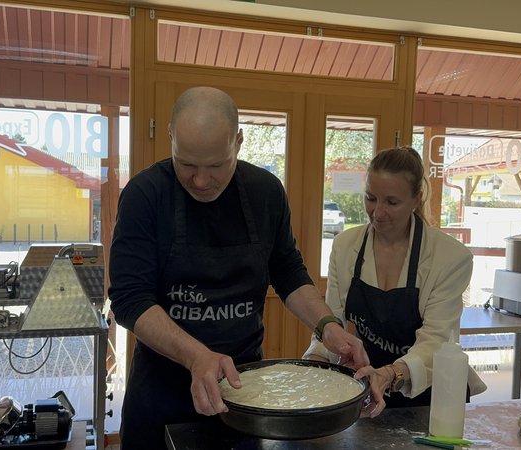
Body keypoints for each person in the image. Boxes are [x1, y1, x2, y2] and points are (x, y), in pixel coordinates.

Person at [108, 86, 368, 450]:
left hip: (246, 397)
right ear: (170, 137)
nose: (201, 181)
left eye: (216, 165)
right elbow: (129, 299)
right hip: (162, 395)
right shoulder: (145, 196)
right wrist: (197, 356)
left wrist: (328, 327)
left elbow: (288, 271)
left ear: (239, 141)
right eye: (187, 164)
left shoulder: (265, 192)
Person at [304, 146, 486, 417]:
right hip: (366, 385)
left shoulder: (450, 257)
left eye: (391, 202)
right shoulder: (345, 247)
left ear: (416, 199)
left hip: (432, 396)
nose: (377, 213)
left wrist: (390, 374)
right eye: (370, 198)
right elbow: (334, 321)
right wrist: (315, 365)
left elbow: (436, 341)